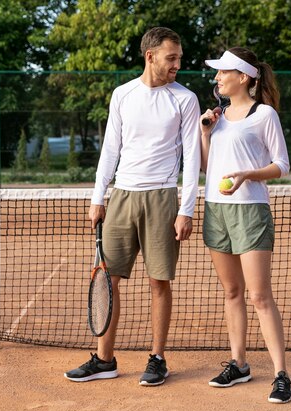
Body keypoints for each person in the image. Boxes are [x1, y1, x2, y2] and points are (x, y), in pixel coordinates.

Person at [64, 27, 201, 386]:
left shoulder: (185, 99)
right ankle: (104, 359)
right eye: (172, 58)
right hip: (122, 197)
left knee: (159, 282)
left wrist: (186, 209)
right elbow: (111, 149)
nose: (177, 65)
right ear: (150, 56)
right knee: (108, 280)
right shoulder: (123, 95)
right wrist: (98, 197)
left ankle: (157, 359)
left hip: (162, 199)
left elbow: (192, 159)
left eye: (179, 58)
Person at [199, 47, 291, 403]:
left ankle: (281, 374)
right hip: (216, 210)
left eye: (223, 72)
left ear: (244, 77)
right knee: (232, 293)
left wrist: (247, 175)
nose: (218, 78)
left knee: (259, 296)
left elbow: (282, 165)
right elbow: (209, 168)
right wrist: (206, 133)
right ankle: (238, 364)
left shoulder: (264, 114)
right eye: (218, 73)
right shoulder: (217, 116)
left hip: (250, 210)